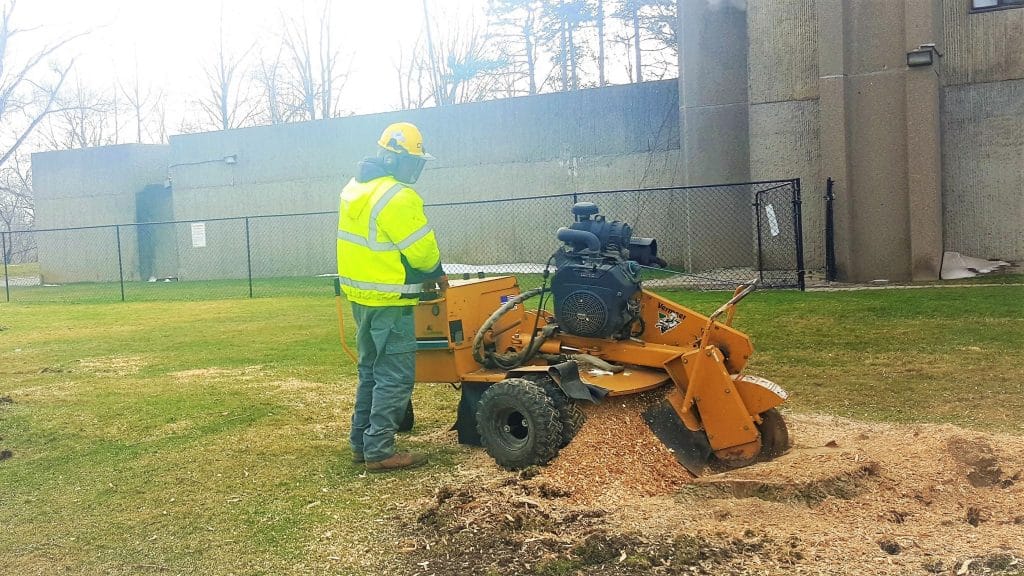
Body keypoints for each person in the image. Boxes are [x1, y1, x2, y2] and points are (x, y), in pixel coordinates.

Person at [336, 122, 448, 473]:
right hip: (391, 301)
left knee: (370, 371)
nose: (415, 169)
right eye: (413, 162)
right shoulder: (397, 196)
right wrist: (436, 274)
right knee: (395, 377)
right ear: (394, 158)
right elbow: (423, 253)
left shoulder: (356, 188)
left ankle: (361, 443)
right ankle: (380, 450)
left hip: (363, 298)